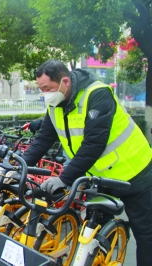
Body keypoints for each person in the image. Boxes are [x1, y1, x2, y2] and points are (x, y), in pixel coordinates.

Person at [21, 59, 152, 266]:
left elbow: (93, 144)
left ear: (65, 81)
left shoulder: (97, 94)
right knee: (93, 232)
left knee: (146, 233)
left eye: (47, 88)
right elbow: (43, 139)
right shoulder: (56, 105)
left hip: (135, 172)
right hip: (101, 179)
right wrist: (21, 166)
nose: (45, 94)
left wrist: (64, 178)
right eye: (41, 89)